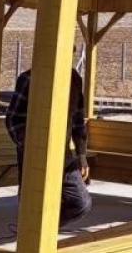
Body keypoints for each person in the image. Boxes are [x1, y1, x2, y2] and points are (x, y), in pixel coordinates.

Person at [5, 66, 92, 227]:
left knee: (81, 203)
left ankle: (43, 230)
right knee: (31, 201)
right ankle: (29, 233)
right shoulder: (29, 78)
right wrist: (28, 145)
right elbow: (13, 119)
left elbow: (78, 120)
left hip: (63, 155)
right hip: (33, 153)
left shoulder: (74, 79)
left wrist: (82, 155)